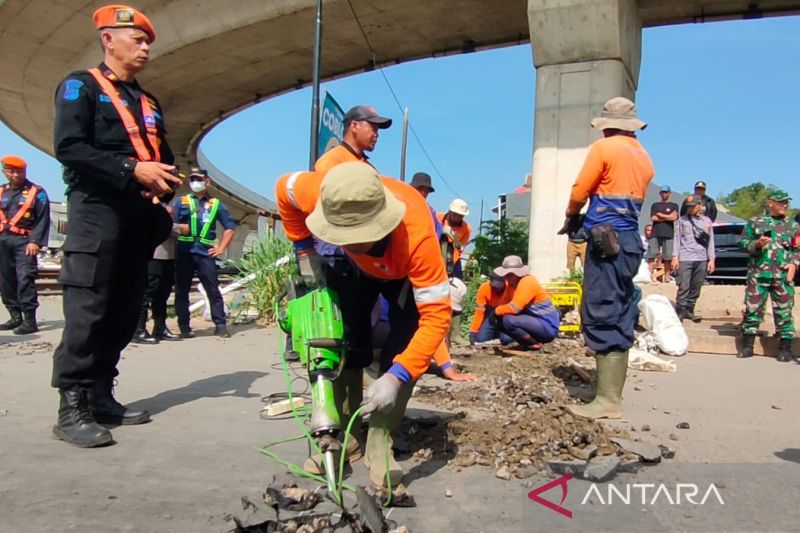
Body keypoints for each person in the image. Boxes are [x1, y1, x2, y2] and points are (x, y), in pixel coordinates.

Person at [275, 162, 452, 489]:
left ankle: (380, 438)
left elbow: (437, 318)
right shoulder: (319, 190)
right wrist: (303, 247)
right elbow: (283, 189)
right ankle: (345, 436)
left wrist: (396, 377)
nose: (354, 243)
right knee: (345, 338)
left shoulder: (418, 236)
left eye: (361, 238)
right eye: (345, 236)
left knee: (403, 341)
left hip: (399, 272)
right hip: (348, 268)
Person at [51, 5, 181, 447]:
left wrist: (165, 187)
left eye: (148, 42)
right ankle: (71, 409)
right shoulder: (80, 86)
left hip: (138, 216)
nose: (145, 48)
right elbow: (69, 148)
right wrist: (131, 169)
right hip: (96, 211)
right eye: (137, 40)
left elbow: (163, 155)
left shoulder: (149, 101)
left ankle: (102, 395)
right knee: (89, 312)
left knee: (124, 310)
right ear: (109, 40)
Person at [559, 96, 654, 420]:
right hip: (628, 242)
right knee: (621, 307)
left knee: (601, 308)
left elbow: (580, 189)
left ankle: (609, 400)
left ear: (607, 126)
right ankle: (607, 390)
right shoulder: (643, 155)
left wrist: (572, 214)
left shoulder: (605, 148)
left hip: (607, 241)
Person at [173, 167, 237, 339]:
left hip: (205, 253)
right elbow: (170, 225)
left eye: (199, 178)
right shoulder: (181, 202)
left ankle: (220, 325)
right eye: (192, 178)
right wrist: (179, 229)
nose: (195, 182)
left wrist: (221, 248)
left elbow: (230, 228)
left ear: (207, 181)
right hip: (184, 251)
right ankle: (184, 326)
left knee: (213, 289)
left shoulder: (216, 204)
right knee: (181, 290)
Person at [737, 190, 799, 362]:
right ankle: (747, 346)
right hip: (759, 274)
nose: (785, 205)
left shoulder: (793, 226)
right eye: (781, 202)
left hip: (782, 275)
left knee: (784, 311)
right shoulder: (756, 222)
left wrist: (794, 263)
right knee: (753, 309)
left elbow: (797, 249)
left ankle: (785, 349)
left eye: (786, 202)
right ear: (770, 203)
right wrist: (756, 243)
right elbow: (742, 242)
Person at [0, 156, 50, 334]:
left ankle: (30, 320)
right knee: (5, 281)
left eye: (18, 171)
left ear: (25, 171)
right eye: (11, 171)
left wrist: (35, 241)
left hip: (25, 242)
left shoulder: (37, 192)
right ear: (4, 171)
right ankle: (15, 316)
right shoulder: (1, 192)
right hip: (3, 241)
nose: (15, 175)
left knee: (25, 279)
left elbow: (43, 219)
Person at [134, 195, 181, 344]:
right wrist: (178, 228)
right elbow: (156, 224)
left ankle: (160, 328)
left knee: (162, 295)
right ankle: (138, 329)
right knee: (147, 293)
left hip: (168, 256)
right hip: (154, 256)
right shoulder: (148, 202)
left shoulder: (169, 205)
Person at [492, 255, 561, 349]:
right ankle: (527, 342)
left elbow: (514, 308)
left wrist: (496, 311)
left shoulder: (527, 281)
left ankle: (532, 344)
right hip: (534, 321)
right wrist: (497, 313)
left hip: (547, 325)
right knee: (502, 331)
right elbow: (503, 304)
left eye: (509, 275)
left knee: (508, 320)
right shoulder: (512, 285)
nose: (506, 277)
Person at [671, 195, 715, 322]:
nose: (690, 209)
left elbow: (711, 241)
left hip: (701, 257)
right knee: (683, 286)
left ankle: (690, 309)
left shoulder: (707, 221)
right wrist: (675, 257)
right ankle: (680, 311)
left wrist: (711, 259)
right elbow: (677, 239)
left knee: (696, 285)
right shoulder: (682, 221)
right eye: (688, 207)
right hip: (685, 257)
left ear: (699, 205)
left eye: (693, 206)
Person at [314, 105, 391, 175]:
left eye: (377, 130)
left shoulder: (371, 170)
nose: (377, 134)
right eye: (373, 129)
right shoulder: (331, 160)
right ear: (354, 126)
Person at [468, 272, 514, 343]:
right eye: (494, 287)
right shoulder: (484, 288)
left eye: (498, 287)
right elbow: (480, 311)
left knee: (507, 339)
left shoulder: (510, 288)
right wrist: (473, 331)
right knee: (480, 340)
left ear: (504, 282)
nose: (496, 289)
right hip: (491, 316)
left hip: (506, 317)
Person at [648, 185, 678, 281]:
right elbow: (653, 218)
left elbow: (674, 218)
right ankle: (650, 275)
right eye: (662, 192)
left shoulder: (674, 205)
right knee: (652, 255)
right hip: (655, 233)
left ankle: (666, 276)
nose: (664, 194)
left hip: (668, 233)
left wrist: (660, 215)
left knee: (668, 256)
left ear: (669, 193)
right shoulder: (655, 205)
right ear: (660, 193)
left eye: (666, 192)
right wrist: (668, 217)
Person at [438, 199, 471, 279]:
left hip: (452, 259)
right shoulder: (437, 218)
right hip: (435, 254)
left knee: (456, 284)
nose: (457, 218)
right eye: (455, 214)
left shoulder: (466, 229)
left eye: (460, 216)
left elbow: (459, 249)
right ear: (449, 211)